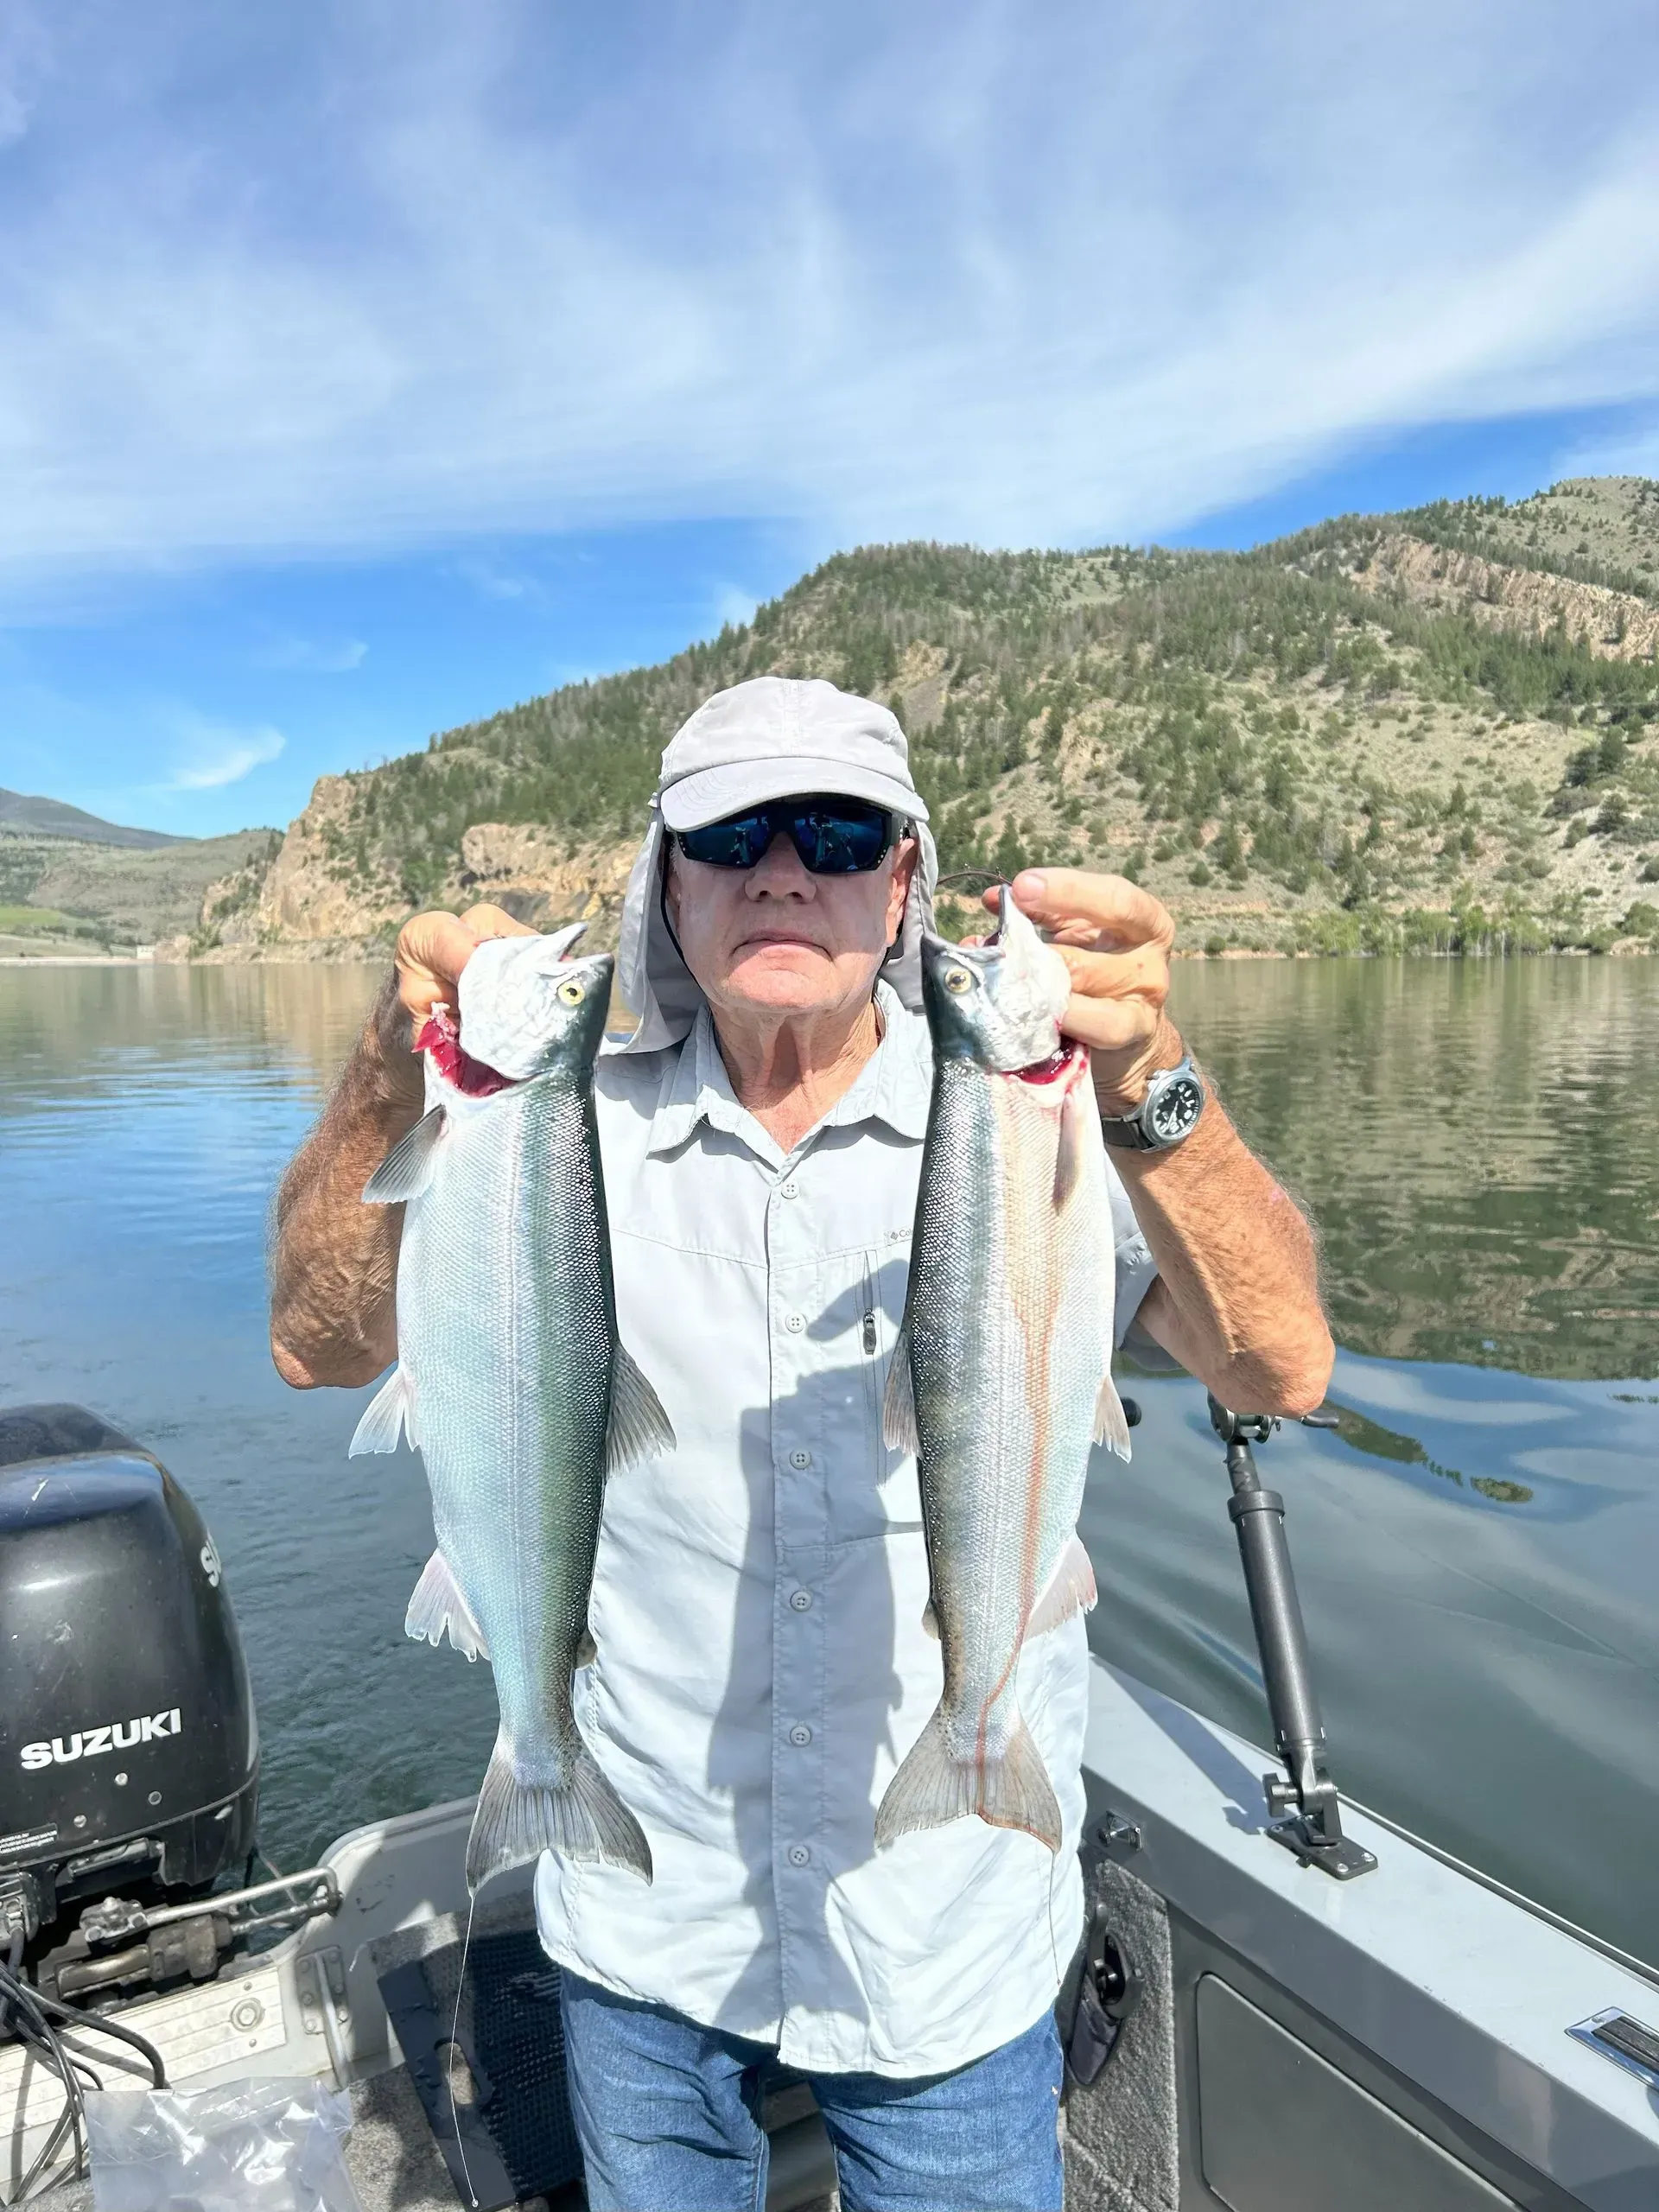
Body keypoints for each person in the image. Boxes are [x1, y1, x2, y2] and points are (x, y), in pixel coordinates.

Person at [270, 676, 1332, 2212]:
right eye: (729, 831)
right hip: (645, 1916)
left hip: (945, 1927)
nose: (783, 867)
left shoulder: (1034, 1125)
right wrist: (390, 1065)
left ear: (902, 882)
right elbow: (316, 1347)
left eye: (835, 832)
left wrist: (1150, 1091)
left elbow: (1282, 1363)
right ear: (668, 881)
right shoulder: (548, 1130)